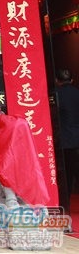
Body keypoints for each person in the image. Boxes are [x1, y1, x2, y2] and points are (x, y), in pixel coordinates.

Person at [55, 69, 79, 200]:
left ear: (57, 81)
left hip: (65, 140)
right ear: (72, 80)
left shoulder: (56, 94)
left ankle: (65, 202)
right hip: (76, 138)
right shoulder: (77, 93)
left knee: (66, 174)